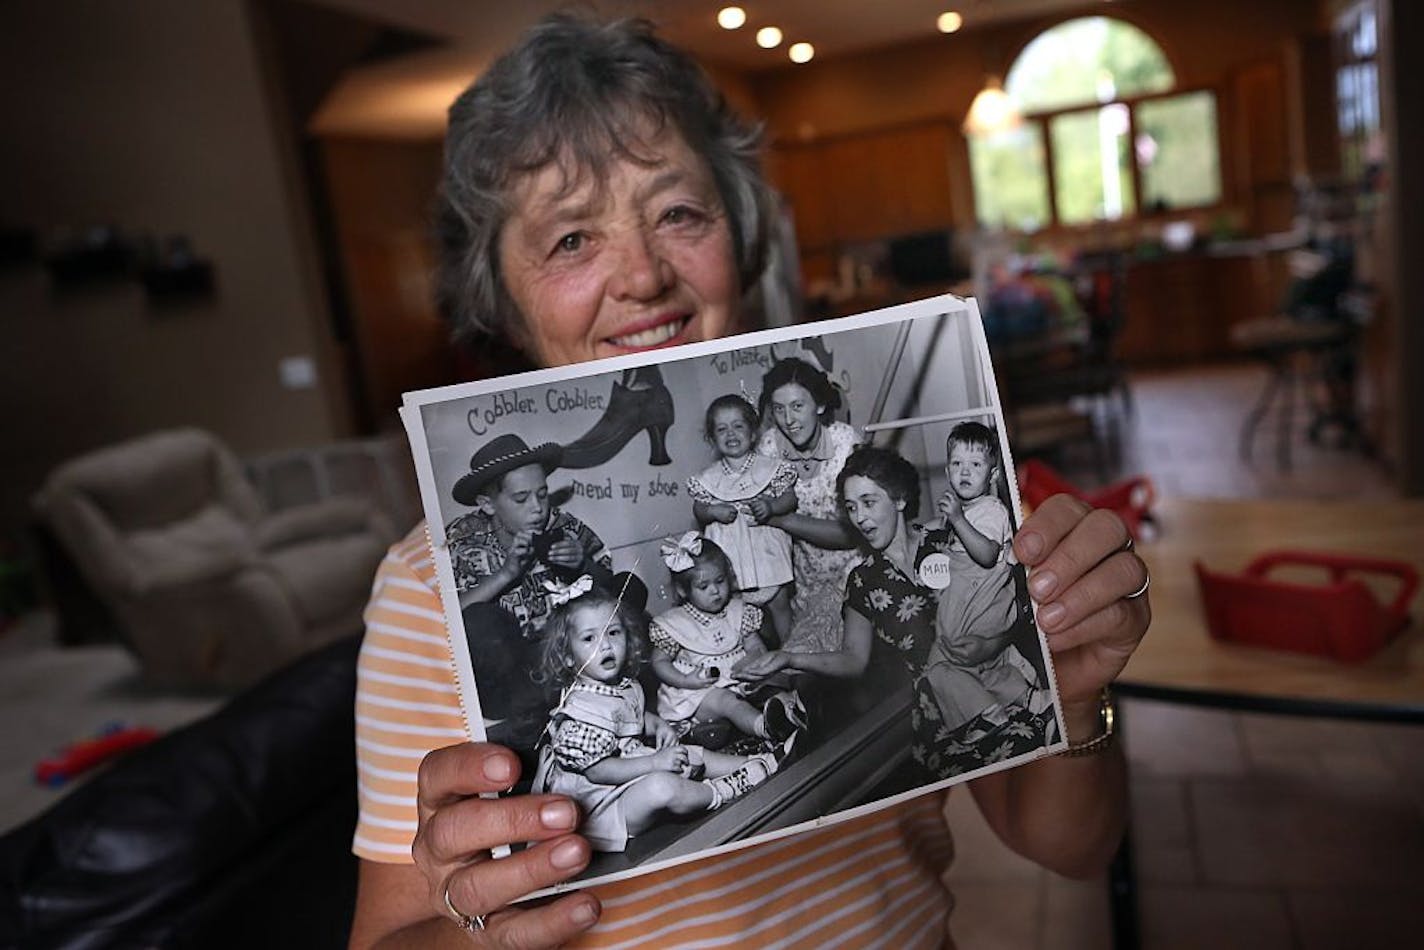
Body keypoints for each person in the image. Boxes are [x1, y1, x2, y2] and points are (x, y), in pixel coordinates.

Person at [348, 14, 1151, 949]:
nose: (643, 273)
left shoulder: (872, 504)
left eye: (679, 213)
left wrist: (1081, 690)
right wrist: (477, 930)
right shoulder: (420, 597)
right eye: (571, 240)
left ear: (741, 231)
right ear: (501, 295)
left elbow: (1072, 846)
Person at [736, 446, 1052, 780]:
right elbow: (853, 660)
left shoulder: (949, 538)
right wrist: (789, 659)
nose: (860, 517)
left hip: (1006, 682)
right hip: (945, 719)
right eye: (851, 507)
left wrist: (992, 644)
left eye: (869, 503)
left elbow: (1013, 599)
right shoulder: (863, 582)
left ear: (899, 500)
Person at [530, 581, 778, 853]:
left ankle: (754, 763)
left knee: (688, 754)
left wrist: (657, 724)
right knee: (662, 787)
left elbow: (631, 714)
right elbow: (598, 770)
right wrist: (653, 763)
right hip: (604, 807)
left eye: (613, 632)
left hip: (630, 771)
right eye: (589, 638)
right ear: (566, 656)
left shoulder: (620, 685)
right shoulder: (579, 714)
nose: (606, 646)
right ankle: (719, 792)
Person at [444, 432, 613, 752]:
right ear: (487, 504)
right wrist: (507, 573)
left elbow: (613, 588)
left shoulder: (562, 524)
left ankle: (566, 711)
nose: (537, 508)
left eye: (543, 494)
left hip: (563, 658)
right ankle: (534, 723)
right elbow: (446, 620)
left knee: (630, 594)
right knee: (480, 621)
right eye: (521, 499)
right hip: (508, 677)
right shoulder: (462, 538)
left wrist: (583, 564)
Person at [922, 421, 1044, 732]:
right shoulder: (967, 510)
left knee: (940, 666)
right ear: (948, 470)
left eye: (975, 465)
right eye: (957, 463)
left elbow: (987, 554)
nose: (964, 472)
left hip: (982, 606)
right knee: (980, 668)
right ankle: (1028, 698)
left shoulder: (992, 510)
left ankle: (986, 713)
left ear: (992, 475)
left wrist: (957, 519)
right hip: (969, 606)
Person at [648, 532, 801, 744]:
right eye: (703, 587)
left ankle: (792, 713)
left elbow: (755, 645)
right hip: (698, 694)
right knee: (728, 701)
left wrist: (753, 660)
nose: (715, 591)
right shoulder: (675, 624)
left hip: (739, 680)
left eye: (720, 581)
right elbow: (659, 662)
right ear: (683, 590)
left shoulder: (738, 611)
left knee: (776, 683)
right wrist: (685, 680)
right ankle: (766, 728)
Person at [755, 356, 863, 654]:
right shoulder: (769, 446)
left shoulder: (845, 443)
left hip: (855, 576)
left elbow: (850, 534)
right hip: (804, 585)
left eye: (797, 406)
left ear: (819, 405)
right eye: (779, 409)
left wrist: (779, 519)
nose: (788, 419)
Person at [686, 394, 797, 641]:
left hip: (765, 551)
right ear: (713, 438)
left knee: (779, 604)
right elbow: (699, 509)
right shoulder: (708, 478)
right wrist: (712, 511)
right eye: (722, 429)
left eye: (738, 426)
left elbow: (790, 499)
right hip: (732, 553)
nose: (731, 434)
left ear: (753, 432)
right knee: (738, 611)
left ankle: (792, 650)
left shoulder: (771, 468)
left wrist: (772, 507)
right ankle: (751, 649)